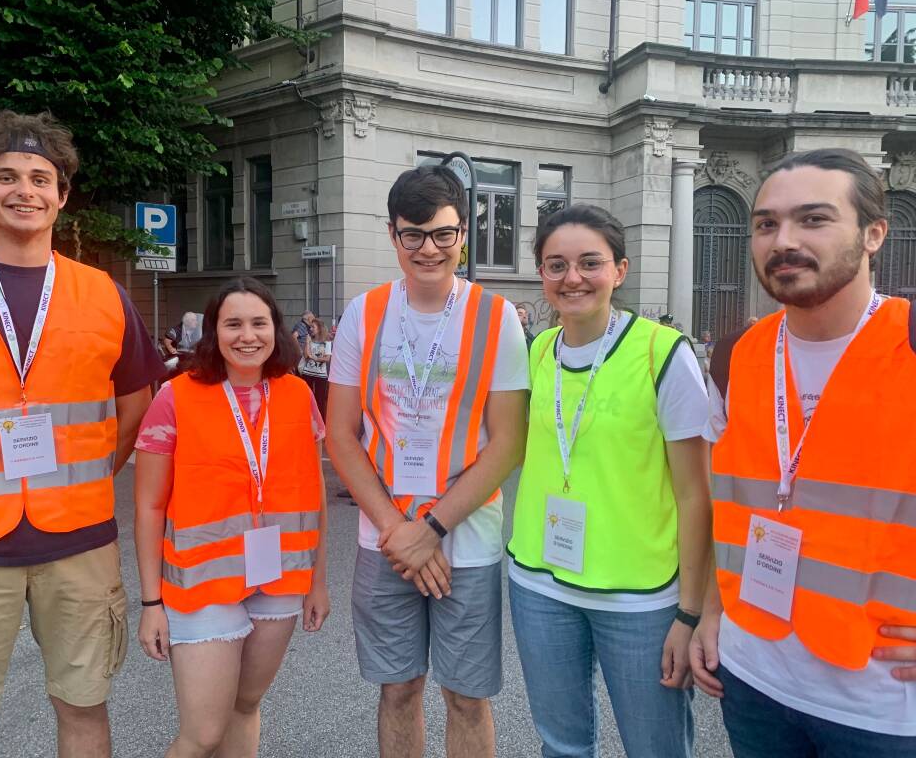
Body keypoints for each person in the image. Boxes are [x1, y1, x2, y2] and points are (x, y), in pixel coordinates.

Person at [0, 110, 164, 757]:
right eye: (6, 175)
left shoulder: (104, 294)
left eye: (41, 178)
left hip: (79, 543)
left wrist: (89, 475)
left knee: (84, 711)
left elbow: (137, 409)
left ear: (62, 195)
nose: (25, 190)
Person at [690, 148, 916, 756]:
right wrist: (711, 612)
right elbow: (730, 506)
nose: (782, 240)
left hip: (883, 707)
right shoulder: (735, 355)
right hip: (753, 678)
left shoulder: (910, 345)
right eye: (766, 224)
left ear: (874, 233)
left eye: (813, 219)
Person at [326, 165, 529, 758]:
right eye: (412, 234)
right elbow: (341, 436)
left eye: (442, 234)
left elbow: (508, 442)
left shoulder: (497, 319)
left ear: (462, 234)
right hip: (384, 538)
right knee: (398, 691)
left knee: (466, 699)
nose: (428, 248)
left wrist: (432, 528)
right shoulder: (362, 315)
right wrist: (400, 532)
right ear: (393, 235)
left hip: (465, 538)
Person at [507, 204, 711, 758]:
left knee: (656, 747)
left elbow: (697, 495)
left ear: (619, 270)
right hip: (541, 582)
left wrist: (691, 612)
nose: (572, 278)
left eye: (589, 263)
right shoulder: (539, 351)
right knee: (562, 745)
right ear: (542, 275)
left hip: (640, 597)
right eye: (556, 265)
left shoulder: (661, 352)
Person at [134, 277, 330, 758]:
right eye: (233, 324)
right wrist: (150, 602)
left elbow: (314, 491)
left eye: (259, 323)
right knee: (201, 734)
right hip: (202, 584)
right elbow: (149, 506)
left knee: (245, 705)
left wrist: (317, 581)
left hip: (280, 578)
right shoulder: (175, 397)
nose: (248, 335)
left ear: (276, 330)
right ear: (213, 333)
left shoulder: (298, 395)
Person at [300, 317, 333, 417]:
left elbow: (327, 358)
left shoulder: (326, 342)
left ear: (319, 328)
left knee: (320, 400)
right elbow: (306, 356)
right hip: (307, 373)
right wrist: (307, 342)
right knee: (306, 398)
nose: (310, 329)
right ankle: (306, 419)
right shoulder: (310, 340)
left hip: (321, 375)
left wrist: (313, 358)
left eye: (312, 327)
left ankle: (321, 423)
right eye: (310, 327)